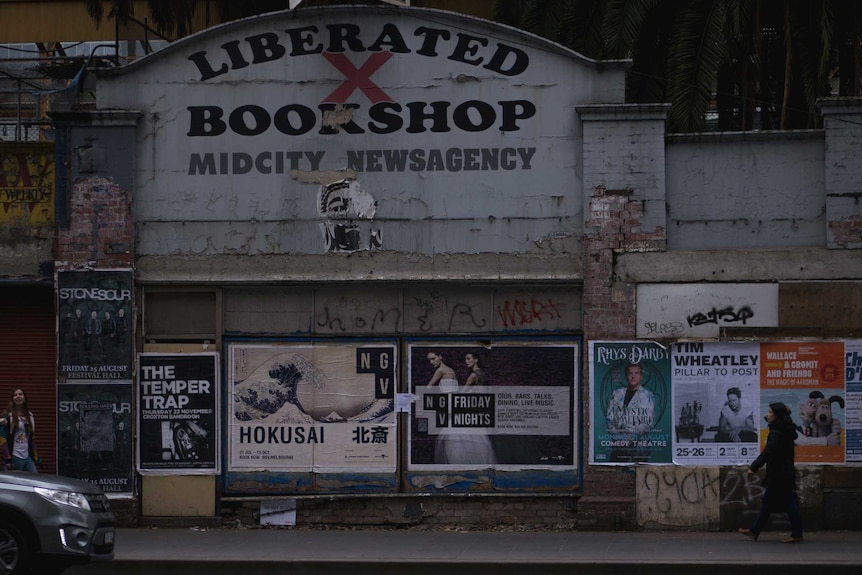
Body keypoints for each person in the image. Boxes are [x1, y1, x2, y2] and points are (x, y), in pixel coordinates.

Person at [738, 402, 803, 543]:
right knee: (769, 503)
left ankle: (797, 533)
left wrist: (754, 467)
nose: (767, 415)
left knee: (789, 504)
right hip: (781, 473)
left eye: (770, 412)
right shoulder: (784, 428)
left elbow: (768, 452)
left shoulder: (777, 432)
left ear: (776, 415)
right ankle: (755, 530)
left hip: (780, 475)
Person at [426, 351, 496, 465]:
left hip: (464, 406)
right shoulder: (482, 374)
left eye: (468, 359)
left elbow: (462, 393)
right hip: (477, 409)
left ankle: (461, 462)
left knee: (456, 436)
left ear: (476, 360)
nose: (466, 361)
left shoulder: (472, 376)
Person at [606, 362, 655, 462]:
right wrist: (619, 437)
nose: (633, 376)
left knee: (639, 475)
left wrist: (630, 437)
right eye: (630, 373)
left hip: (639, 447)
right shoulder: (617, 393)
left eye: (636, 373)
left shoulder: (648, 396)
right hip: (619, 444)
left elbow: (648, 422)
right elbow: (610, 418)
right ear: (626, 376)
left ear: (641, 376)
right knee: (616, 474)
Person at [0, 388, 42, 472]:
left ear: (24, 397)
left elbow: (32, 438)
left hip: (27, 455)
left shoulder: (29, 415)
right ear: (12, 399)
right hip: (15, 455)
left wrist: (36, 457)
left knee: (34, 477)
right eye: (15, 395)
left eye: (20, 394)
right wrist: (7, 458)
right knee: (18, 482)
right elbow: (2, 438)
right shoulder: (8, 415)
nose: (18, 396)